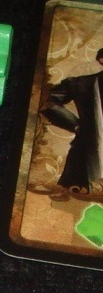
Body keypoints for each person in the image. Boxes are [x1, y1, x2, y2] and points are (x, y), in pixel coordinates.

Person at [41, 48, 103, 194]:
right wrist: (76, 126)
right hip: (87, 163)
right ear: (102, 60)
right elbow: (46, 102)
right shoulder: (80, 84)